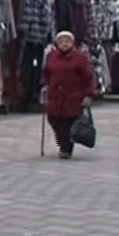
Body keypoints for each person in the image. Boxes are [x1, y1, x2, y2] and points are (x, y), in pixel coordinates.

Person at [42, 31, 96, 159]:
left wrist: (89, 94)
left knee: (68, 122)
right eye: (62, 41)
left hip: (73, 96)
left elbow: (88, 78)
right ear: (57, 43)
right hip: (55, 95)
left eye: (67, 41)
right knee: (53, 119)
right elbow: (46, 73)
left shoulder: (80, 58)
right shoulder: (51, 56)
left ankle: (66, 148)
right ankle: (63, 143)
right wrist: (44, 84)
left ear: (72, 43)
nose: (64, 44)